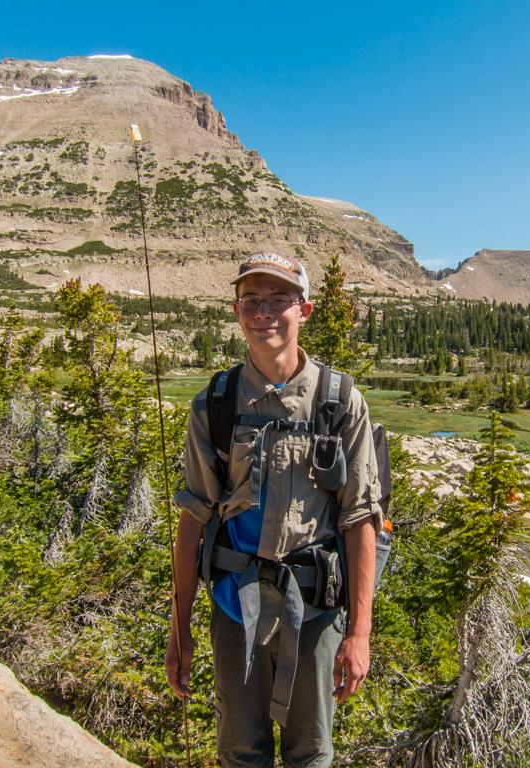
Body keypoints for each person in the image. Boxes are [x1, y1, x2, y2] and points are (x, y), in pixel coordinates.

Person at [166, 250, 383, 768]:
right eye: (251, 301)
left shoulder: (341, 401)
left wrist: (359, 633)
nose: (264, 312)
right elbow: (192, 519)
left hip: (315, 609)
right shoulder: (213, 405)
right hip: (231, 605)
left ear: (303, 311)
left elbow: (359, 520)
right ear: (237, 312)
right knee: (242, 752)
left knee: (310, 754)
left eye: (279, 300)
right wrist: (179, 632)